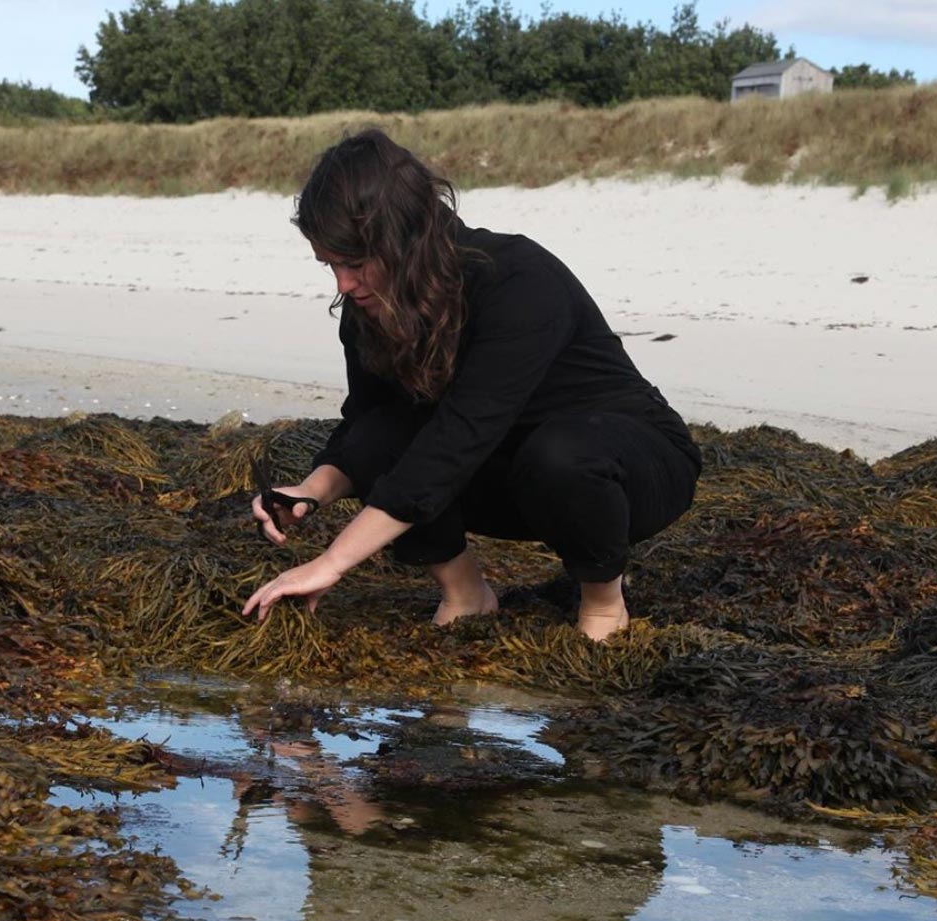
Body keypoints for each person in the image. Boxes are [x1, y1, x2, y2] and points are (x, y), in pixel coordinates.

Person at [242, 129, 701, 641]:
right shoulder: (372, 307)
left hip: (628, 470)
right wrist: (309, 491)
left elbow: (460, 436)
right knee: (379, 438)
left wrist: (332, 562)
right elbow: (367, 423)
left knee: (560, 453)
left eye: (355, 263)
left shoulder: (518, 279)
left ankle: (602, 604)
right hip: (511, 478)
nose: (343, 286)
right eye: (331, 265)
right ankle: (465, 593)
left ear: (406, 238)